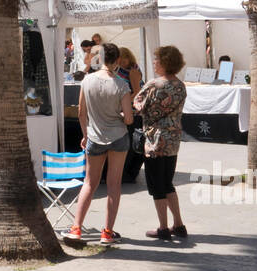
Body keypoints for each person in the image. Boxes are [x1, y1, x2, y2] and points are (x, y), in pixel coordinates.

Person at [68, 42, 133, 245]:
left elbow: (80, 111)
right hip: (118, 136)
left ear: (101, 57)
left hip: (94, 136)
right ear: (117, 60)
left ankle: (76, 227)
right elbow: (129, 119)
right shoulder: (121, 84)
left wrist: (85, 134)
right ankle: (107, 232)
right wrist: (121, 115)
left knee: (89, 182)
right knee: (114, 185)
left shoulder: (87, 80)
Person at [134, 45, 188, 240]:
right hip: (173, 139)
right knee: (167, 183)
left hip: (155, 140)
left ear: (165, 62)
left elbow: (140, 106)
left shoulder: (154, 84)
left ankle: (163, 227)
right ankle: (179, 224)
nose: (154, 63)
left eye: (157, 60)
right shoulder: (180, 85)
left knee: (157, 185)